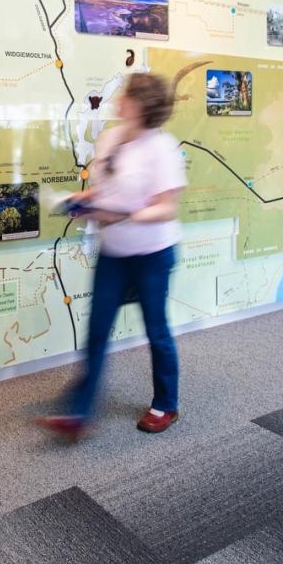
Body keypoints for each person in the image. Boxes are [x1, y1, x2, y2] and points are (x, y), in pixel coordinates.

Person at [37, 72, 187, 441]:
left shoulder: (162, 148)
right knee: (98, 329)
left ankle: (166, 404)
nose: (119, 101)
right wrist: (79, 201)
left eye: (126, 96)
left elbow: (166, 208)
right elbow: (101, 191)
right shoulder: (110, 138)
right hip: (114, 253)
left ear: (143, 106)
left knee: (156, 330)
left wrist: (123, 216)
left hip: (152, 254)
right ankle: (80, 411)